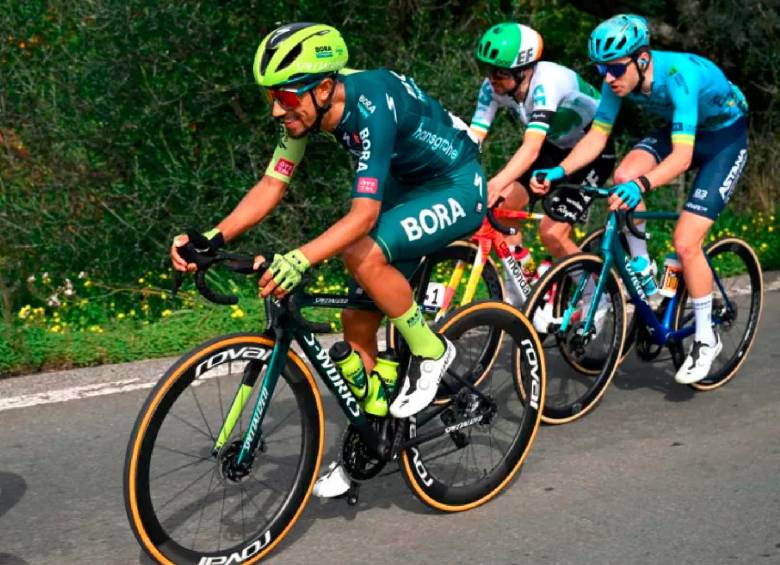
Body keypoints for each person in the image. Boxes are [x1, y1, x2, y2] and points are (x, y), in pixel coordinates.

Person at [170, 23, 487, 495]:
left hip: (456, 186)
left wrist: (300, 257)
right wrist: (212, 237)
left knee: (359, 251)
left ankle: (432, 350)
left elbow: (362, 217)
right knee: (358, 325)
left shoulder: (370, 104)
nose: (277, 109)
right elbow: (273, 183)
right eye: (271, 97)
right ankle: (371, 438)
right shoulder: (309, 107)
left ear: (322, 88)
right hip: (407, 187)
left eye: (285, 97)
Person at [530, 14, 749, 384]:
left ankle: (706, 340)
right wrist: (559, 171)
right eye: (602, 68)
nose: (609, 78)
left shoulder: (679, 78)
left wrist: (643, 186)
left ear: (642, 59)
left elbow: (681, 159)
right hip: (683, 131)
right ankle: (645, 266)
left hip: (724, 139)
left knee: (685, 240)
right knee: (622, 176)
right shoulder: (616, 81)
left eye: (615, 68)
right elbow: (597, 137)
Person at [471, 22, 615, 301]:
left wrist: (497, 182)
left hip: (591, 152)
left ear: (523, 70)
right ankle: (526, 286)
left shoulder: (547, 83)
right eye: (487, 70)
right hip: (555, 147)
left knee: (552, 233)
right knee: (502, 209)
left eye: (499, 72)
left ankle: (595, 295)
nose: (491, 79)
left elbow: (531, 147)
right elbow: (473, 136)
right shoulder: (494, 88)